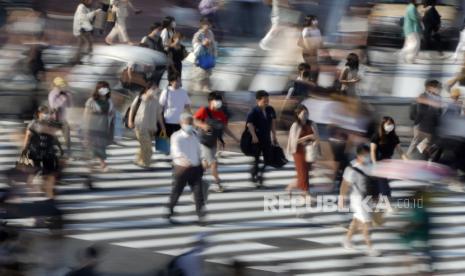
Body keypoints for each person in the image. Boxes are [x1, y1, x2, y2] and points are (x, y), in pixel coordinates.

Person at [339, 144, 380, 257]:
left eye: (368, 155)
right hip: (358, 200)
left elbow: (374, 183)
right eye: (365, 155)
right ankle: (370, 248)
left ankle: (347, 240)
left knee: (356, 220)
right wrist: (341, 198)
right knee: (367, 223)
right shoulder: (351, 168)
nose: (367, 157)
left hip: (368, 198)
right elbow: (345, 184)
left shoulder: (370, 165)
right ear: (359, 155)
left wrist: (376, 198)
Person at [194, 92, 239, 193]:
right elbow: (195, 120)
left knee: (206, 163)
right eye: (217, 100)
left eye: (220, 101)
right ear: (210, 101)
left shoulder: (221, 114)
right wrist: (202, 125)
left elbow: (225, 128)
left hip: (212, 142)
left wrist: (235, 138)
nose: (219, 103)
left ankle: (194, 176)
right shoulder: (204, 110)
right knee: (213, 163)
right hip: (202, 141)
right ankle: (218, 184)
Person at [166, 113, 206, 226]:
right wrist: (182, 159)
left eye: (190, 123)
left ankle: (201, 215)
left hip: (196, 168)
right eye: (187, 123)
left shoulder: (196, 134)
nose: (189, 125)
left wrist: (203, 159)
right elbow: (175, 151)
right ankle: (169, 210)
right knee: (177, 192)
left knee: (198, 193)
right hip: (181, 169)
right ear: (181, 123)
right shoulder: (176, 136)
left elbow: (200, 149)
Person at [21, 106, 63, 199]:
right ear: (39, 113)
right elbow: (27, 137)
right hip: (35, 151)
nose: (46, 115)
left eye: (47, 113)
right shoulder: (33, 124)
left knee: (49, 172)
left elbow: (55, 137)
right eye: (44, 112)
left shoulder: (50, 124)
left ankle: (47, 192)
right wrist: (24, 150)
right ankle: (32, 189)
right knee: (34, 171)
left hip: (48, 152)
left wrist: (60, 148)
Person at [128, 83, 166, 168]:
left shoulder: (156, 101)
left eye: (156, 89)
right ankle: (146, 163)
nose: (154, 91)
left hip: (151, 127)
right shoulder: (139, 99)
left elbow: (159, 115)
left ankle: (138, 159)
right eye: (153, 89)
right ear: (147, 89)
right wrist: (130, 121)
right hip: (140, 126)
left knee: (144, 145)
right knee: (148, 147)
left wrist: (162, 126)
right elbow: (132, 109)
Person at [246, 90, 278, 188]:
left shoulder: (270, 109)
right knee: (256, 160)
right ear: (258, 100)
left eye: (268, 100)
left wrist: (274, 136)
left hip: (267, 138)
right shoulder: (254, 111)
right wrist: (254, 135)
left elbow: (273, 123)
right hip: (256, 140)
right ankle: (255, 174)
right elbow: (249, 124)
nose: (267, 102)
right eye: (265, 100)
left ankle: (258, 174)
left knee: (268, 159)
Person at [285, 105, 318, 199]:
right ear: (298, 114)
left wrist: (315, 142)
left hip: (309, 151)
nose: (306, 115)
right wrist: (307, 137)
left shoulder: (312, 123)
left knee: (304, 172)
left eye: (307, 113)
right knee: (303, 172)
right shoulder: (295, 125)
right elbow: (293, 142)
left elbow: (316, 137)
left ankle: (290, 187)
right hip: (298, 152)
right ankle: (305, 194)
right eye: (303, 113)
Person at [84, 81, 115, 171]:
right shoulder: (91, 101)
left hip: (104, 125)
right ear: (97, 89)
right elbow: (86, 115)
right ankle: (103, 164)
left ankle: (93, 163)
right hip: (93, 126)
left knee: (101, 145)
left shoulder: (109, 101)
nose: (104, 90)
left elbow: (112, 113)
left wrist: (111, 115)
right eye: (102, 88)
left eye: (106, 88)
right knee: (95, 145)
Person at [407, 79, 443, 157]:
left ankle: (422, 157)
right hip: (420, 124)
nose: (438, 89)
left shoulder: (438, 97)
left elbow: (439, 111)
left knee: (426, 144)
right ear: (429, 87)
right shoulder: (423, 96)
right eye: (436, 87)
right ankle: (407, 158)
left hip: (431, 125)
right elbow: (421, 112)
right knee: (416, 141)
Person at [159, 72, 192, 137]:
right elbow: (160, 106)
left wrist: (190, 117)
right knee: (168, 141)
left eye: (180, 81)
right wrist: (160, 121)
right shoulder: (166, 91)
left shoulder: (183, 91)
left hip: (180, 122)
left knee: (178, 141)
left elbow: (187, 105)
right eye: (177, 81)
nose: (179, 82)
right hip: (168, 121)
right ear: (171, 82)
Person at [192, 17, 218, 93]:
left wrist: (214, 56)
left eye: (209, 24)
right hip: (200, 58)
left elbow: (213, 45)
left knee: (207, 73)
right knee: (201, 74)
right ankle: (199, 89)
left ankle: (205, 88)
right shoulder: (198, 34)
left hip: (208, 57)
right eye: (207, 24)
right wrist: (203, 44)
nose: (209, 26)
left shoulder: (210, 33)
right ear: (202, 25)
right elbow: (195, 46)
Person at [48, 77, 73, 157]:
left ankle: (68, 153)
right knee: (52, 137)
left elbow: (69, 105)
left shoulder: (65, 94)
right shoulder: (52, 94)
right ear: (56, 85)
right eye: (60, 85)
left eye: (63, 85)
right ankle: (53, 151)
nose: (62, 87)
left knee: (67, 137)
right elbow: (53, 106)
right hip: (54, 119)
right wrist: (61, 97)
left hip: (62, 119)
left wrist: (69, 97)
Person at [298, 15, 322, 80]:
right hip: (309, 52)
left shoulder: (317, 30)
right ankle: (306, 80)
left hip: (315, 52)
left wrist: (318, 49)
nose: (316, 21)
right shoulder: (306, 30)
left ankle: (312, 81)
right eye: (314, 20)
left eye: (316, 19)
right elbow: (306, 42)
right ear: (310, 21)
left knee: (315, 67)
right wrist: (311, 51)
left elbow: (320, 41)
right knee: (310, 67)